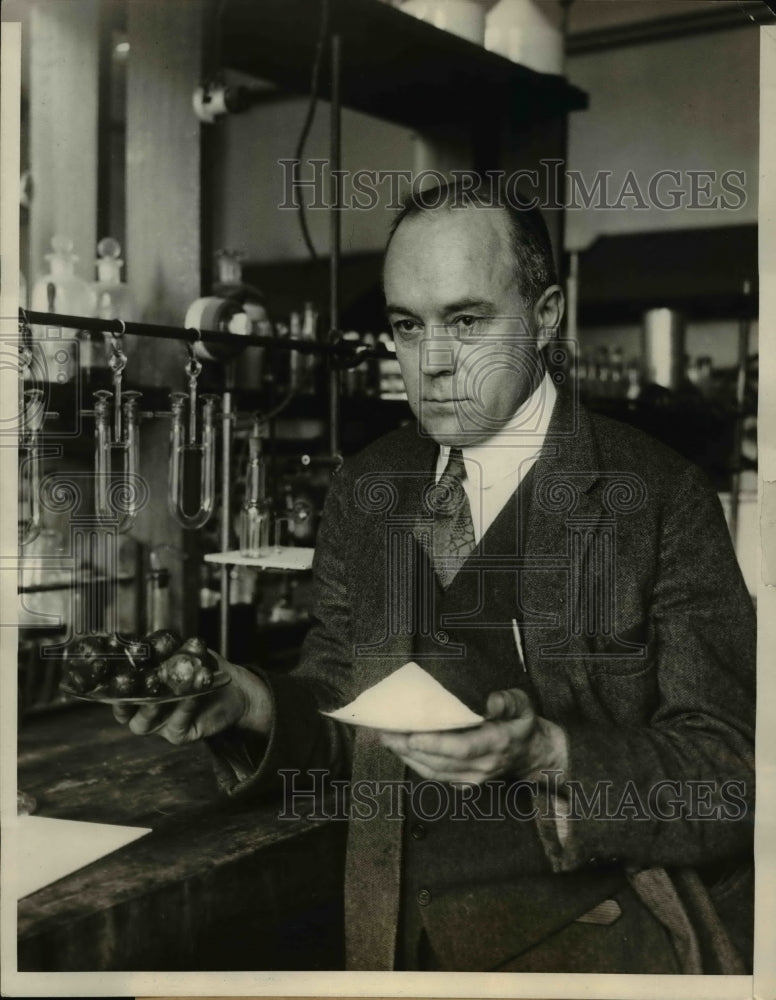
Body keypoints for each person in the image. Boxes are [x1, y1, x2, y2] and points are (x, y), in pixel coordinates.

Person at [116, 180, 755, 974]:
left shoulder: (658, 496)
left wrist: (553, 756)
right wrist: (249, 702)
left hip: (602, 953)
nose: (436, 362)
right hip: (392, 946)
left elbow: (733, 778)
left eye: (466, 320)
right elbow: (352, 718)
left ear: (546, 315)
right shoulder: (370, 484)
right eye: (407, 328)